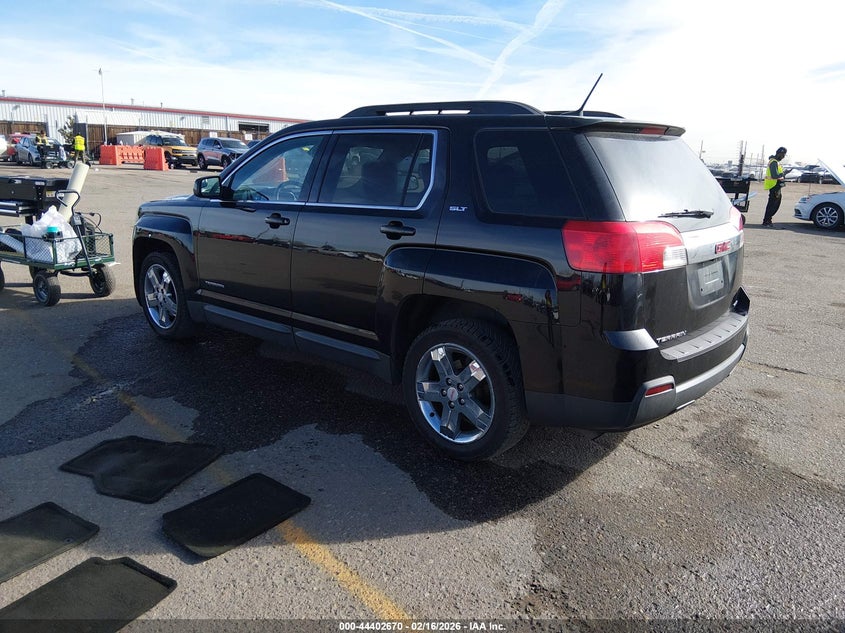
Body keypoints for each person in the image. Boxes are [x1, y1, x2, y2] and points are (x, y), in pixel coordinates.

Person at [762, 146, 787, 228]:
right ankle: (767, 221)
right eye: (783, 155)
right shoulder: (774, 162)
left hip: (776, 185)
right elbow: (774, 175)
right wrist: (783, 174)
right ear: (780, 154)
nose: (783, 157)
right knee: (772, 204)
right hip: (774, 185)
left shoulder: (775, 162)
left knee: (774, 204)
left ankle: (768, 220)